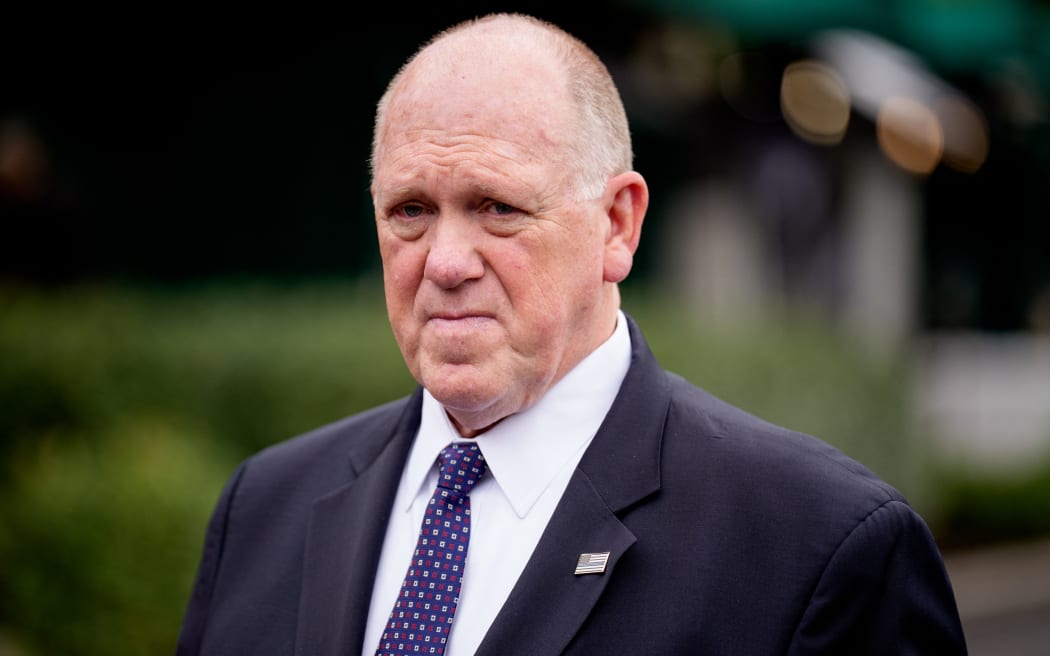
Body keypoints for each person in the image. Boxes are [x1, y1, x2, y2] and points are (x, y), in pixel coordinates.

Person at [176, 12, 967, 655]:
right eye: (410, 210)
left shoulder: (819, 549)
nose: (445, 262)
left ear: (617, 226)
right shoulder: (263, 509)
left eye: (498, 207)